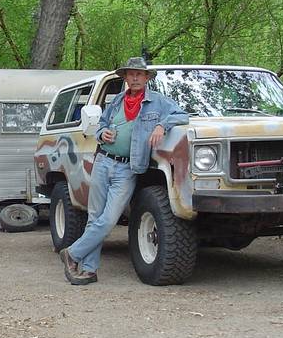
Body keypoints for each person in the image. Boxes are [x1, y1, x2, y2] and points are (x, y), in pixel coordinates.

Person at [60, 56, 189, 285]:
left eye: (140, 74)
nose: (135, 77)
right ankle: (89, 270)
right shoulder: (117, 101)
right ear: (126, 78)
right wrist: (103, 134)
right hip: (103, 161)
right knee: (94, 217)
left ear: (147, 77)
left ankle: (73, 253)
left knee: (108, 220)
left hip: (128, 168)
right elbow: (101, 126)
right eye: (131, 74)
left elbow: (181, 115)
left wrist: (161, 125)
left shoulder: (159, 102)